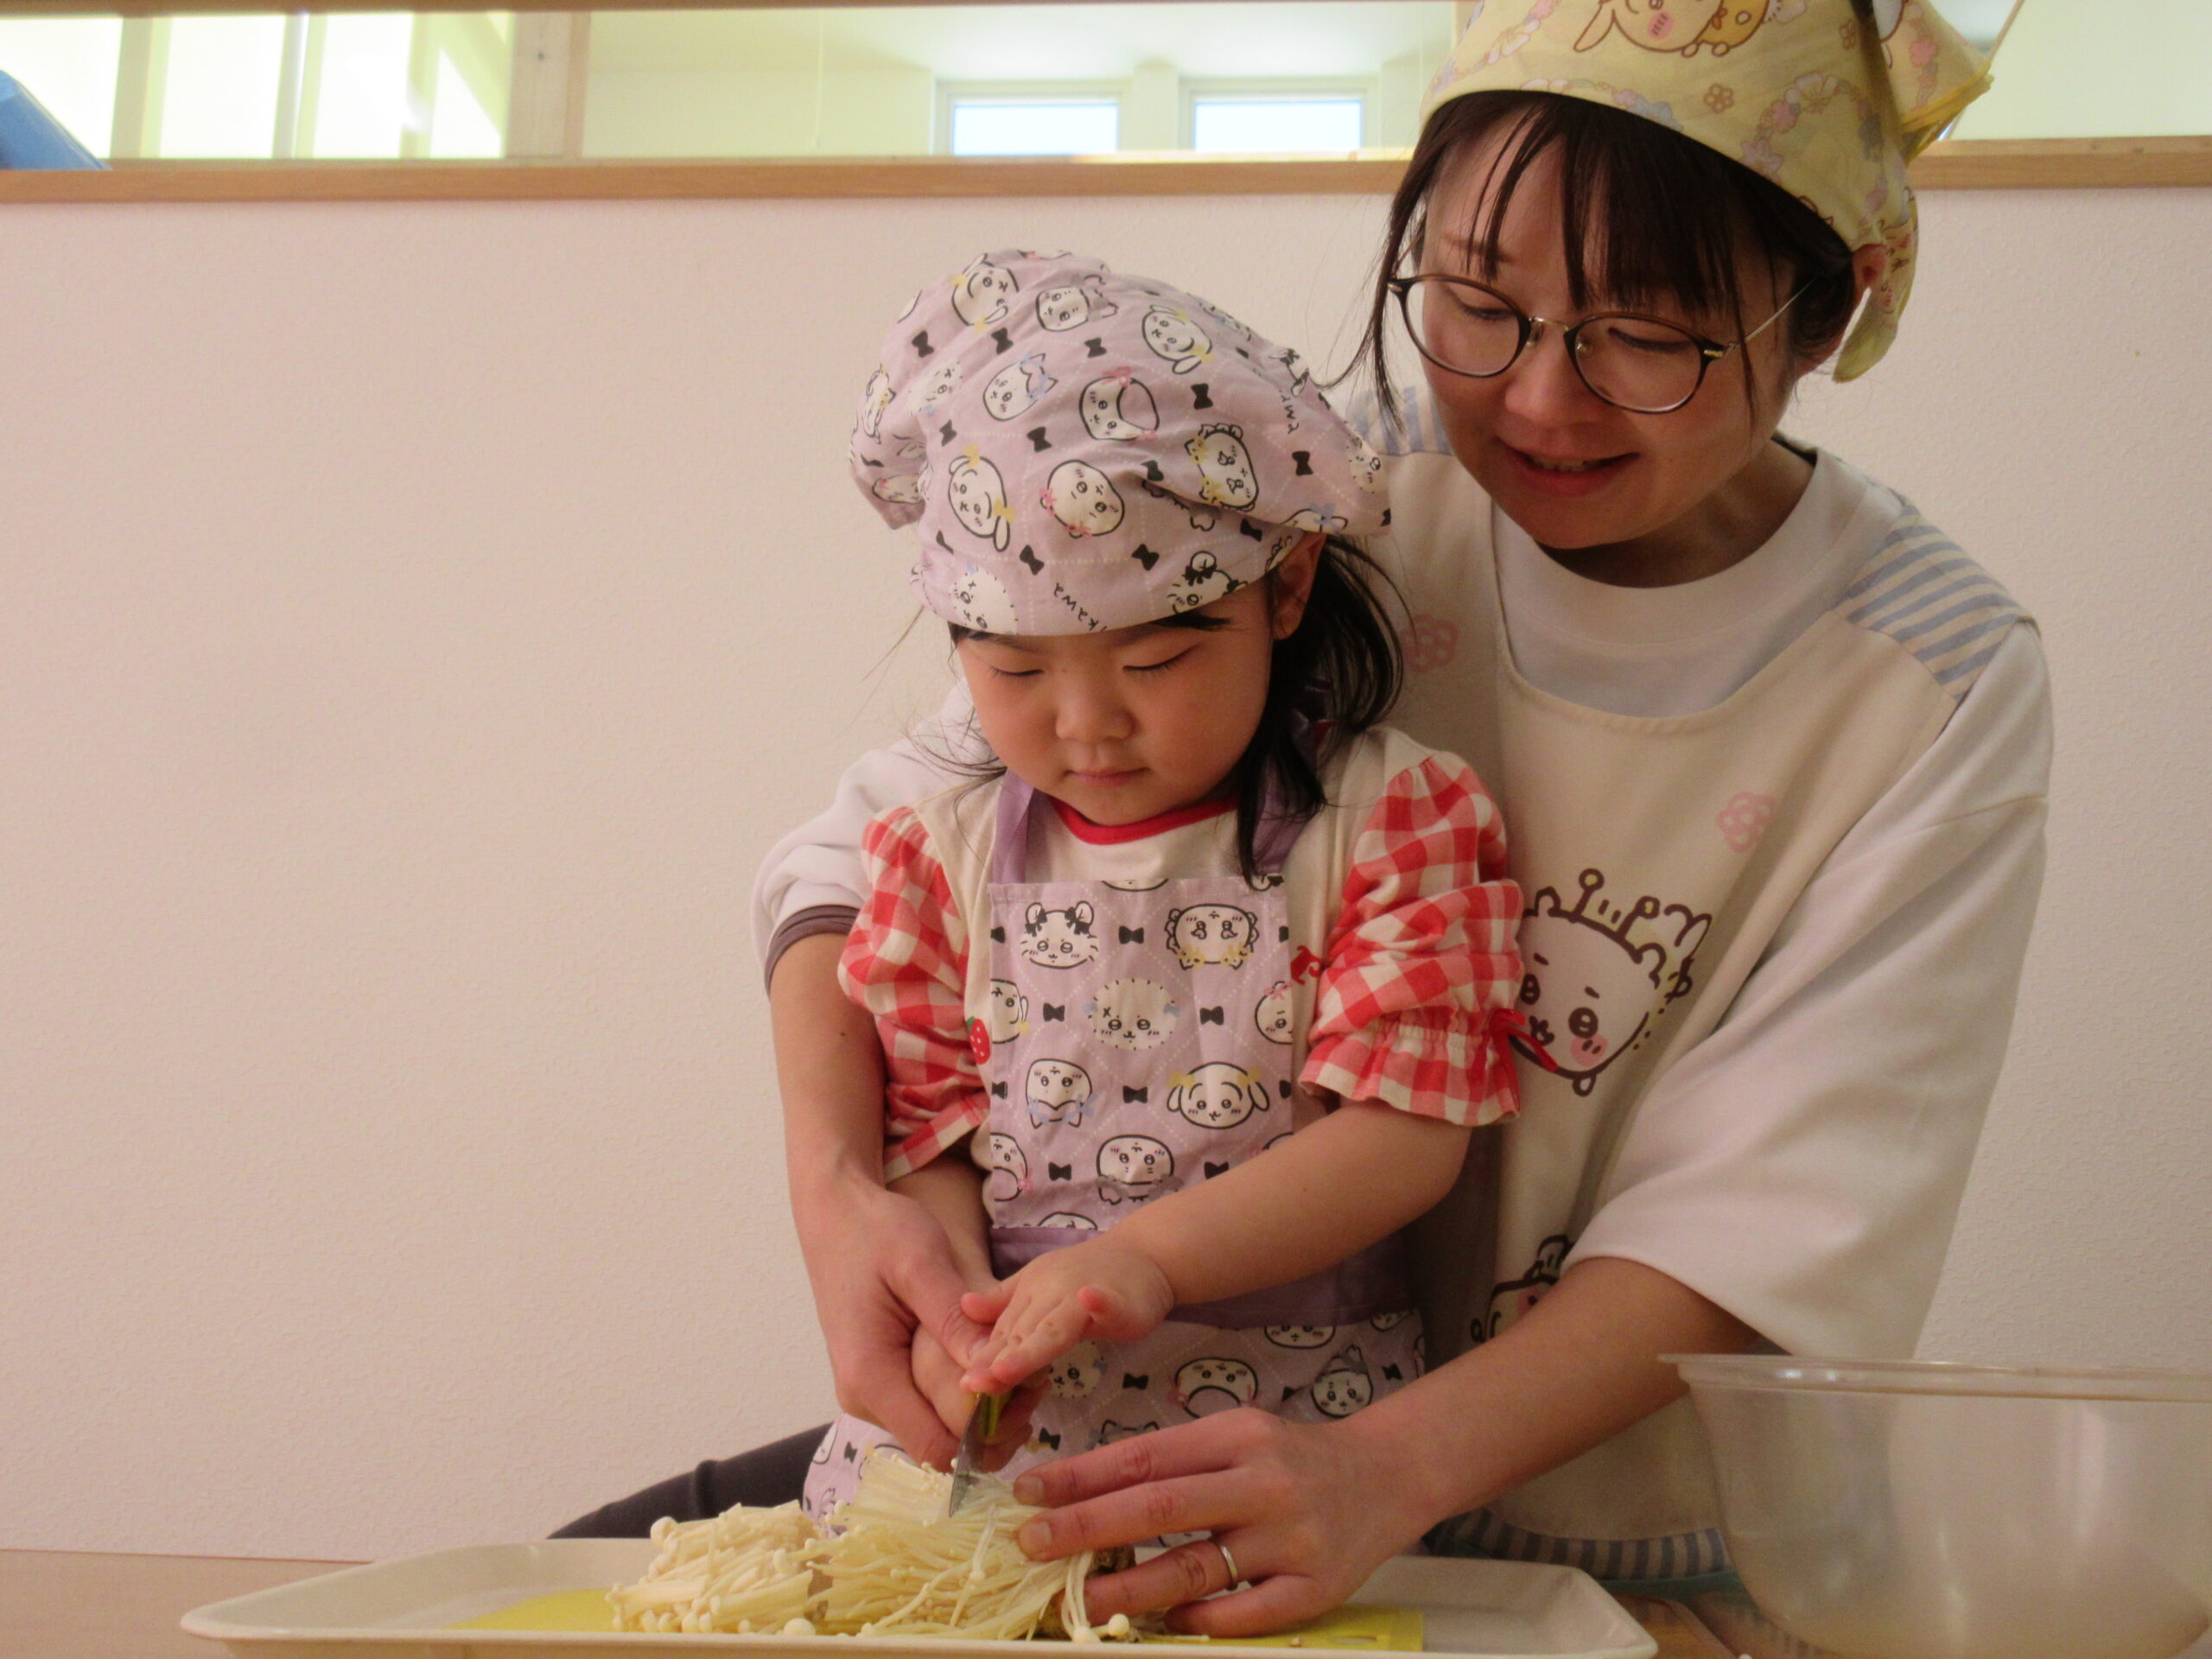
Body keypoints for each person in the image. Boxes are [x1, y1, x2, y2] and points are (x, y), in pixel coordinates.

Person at [563, 0, 2049, 1637]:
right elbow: (884, 846)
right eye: (1475, 302)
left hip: (1605, 1547)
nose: (1539, 399)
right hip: (1139, 1453)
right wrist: (839, 1181)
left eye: (1647, 333)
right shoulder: (1326, 491)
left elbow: (1776, 1215)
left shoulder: (1926, 675)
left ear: (1829, 305)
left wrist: (1383, 1469)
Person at [788, 251, 1524, 1524]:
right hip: (998, 1457)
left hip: (1291, 1433)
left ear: (1286, 587)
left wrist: (1145, 1261)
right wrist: (958, 1319)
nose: (1086, 726)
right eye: (1016, 672)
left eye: (1155, 662)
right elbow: (930, 1140)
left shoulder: (1394, 822)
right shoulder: (935, 853)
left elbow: (1407, 1138)